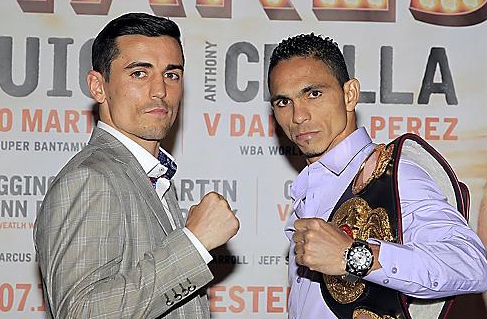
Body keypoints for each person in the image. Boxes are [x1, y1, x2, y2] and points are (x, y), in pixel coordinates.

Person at [34, 12, 239, 319]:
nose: (160, 90)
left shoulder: (150, 176)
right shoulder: (91, 179)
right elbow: (82, 312)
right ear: (98, 86)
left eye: (171, 74)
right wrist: (194, 244)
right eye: (140, 73)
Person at [267, 33, 487, 318]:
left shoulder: (394, 175)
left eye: (313, 93)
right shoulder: (312, 189)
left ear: (350, 94)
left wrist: (354, 256)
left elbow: (472, 265)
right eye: (283, 101)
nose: (298, 116)